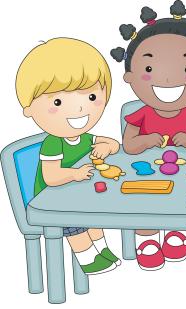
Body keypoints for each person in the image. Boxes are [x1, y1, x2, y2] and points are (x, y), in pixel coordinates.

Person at [110, 0, 186, 270]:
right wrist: (146, 140)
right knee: (142, 204)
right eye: (150, 69)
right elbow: (128, 146)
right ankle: (147, 238)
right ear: (130, 77)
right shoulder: (138, 114)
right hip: (144, 180)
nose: (167, 79)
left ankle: (178, 232)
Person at [16, 37, 122, 275]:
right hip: (54, 201)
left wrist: (107, 147)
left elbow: (114, 144)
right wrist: (75, 174)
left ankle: (101, 250)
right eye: (58, 101)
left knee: (95, 217)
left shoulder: (84, 137)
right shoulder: (53, 143)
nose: (80, 109)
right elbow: (51, 176)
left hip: (79, 195)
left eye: (92, 97)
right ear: (30, 109)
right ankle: (87, 257)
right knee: (77, 225)